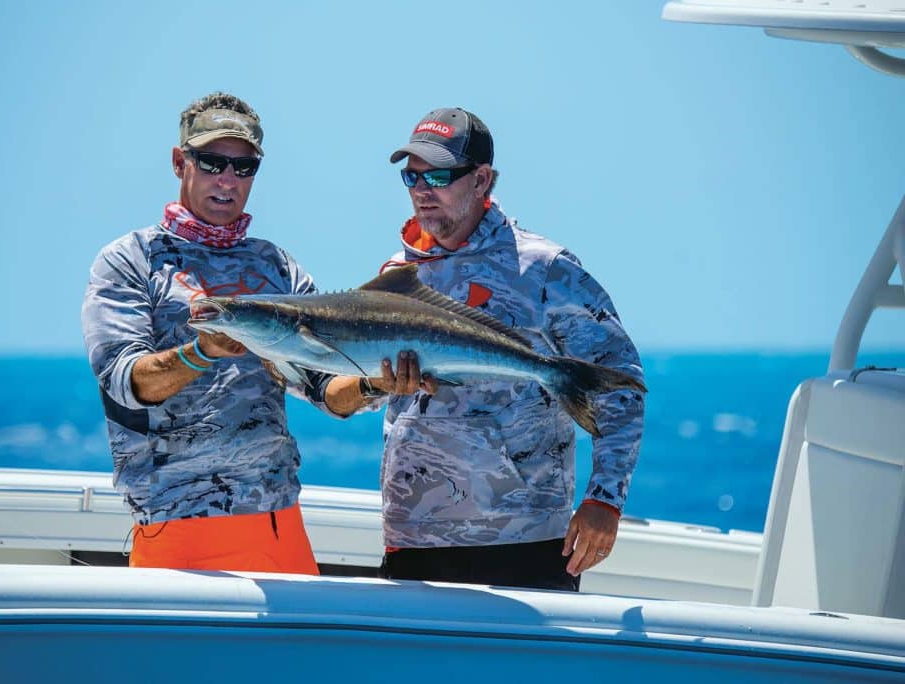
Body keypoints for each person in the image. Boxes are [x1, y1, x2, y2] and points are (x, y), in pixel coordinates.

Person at [324, 108, 645, 591]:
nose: (421, 189)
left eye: (438, 175)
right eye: (411, 176)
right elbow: (364, 387)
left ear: (482, 180)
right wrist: (373, 384)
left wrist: (604, 500)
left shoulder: (546, 269)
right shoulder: (397, 275)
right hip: (412, 543)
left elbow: (620, 385)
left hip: (522, 544)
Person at [81, 92, 325, 574]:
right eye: (213, 162)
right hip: (174, 524)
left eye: (244, 167)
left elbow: (319, 383)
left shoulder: (278, 267)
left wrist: (374, 383)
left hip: (278, 522)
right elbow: (126, 382)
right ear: (180, 162)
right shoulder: (130, 260)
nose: (228, 180)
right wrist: (201, 352)